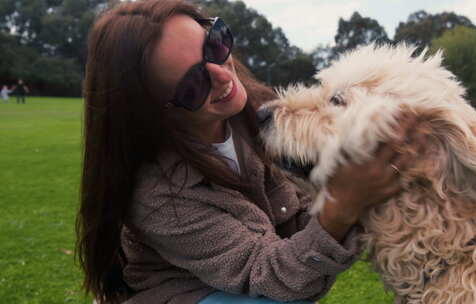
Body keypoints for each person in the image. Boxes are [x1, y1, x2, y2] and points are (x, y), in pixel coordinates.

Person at [76, 1, 426, 304]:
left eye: (215, 46)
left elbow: (302, 220)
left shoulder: (264, 117)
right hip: (186, 294)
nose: (223, 76)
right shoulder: (161, 197)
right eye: (193, 84)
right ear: (152, 109)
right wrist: (344, 205)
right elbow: (271, 276)